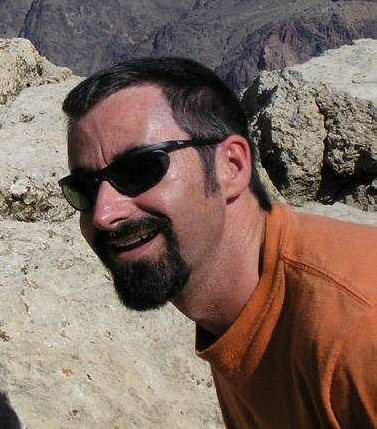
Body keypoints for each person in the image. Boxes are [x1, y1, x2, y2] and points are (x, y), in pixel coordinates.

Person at [58, 57, 377, 428]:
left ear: (232, 167)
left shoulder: (357, 332)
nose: (103, 214)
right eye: (84, 189)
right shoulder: (236, 314)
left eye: (140, 169)